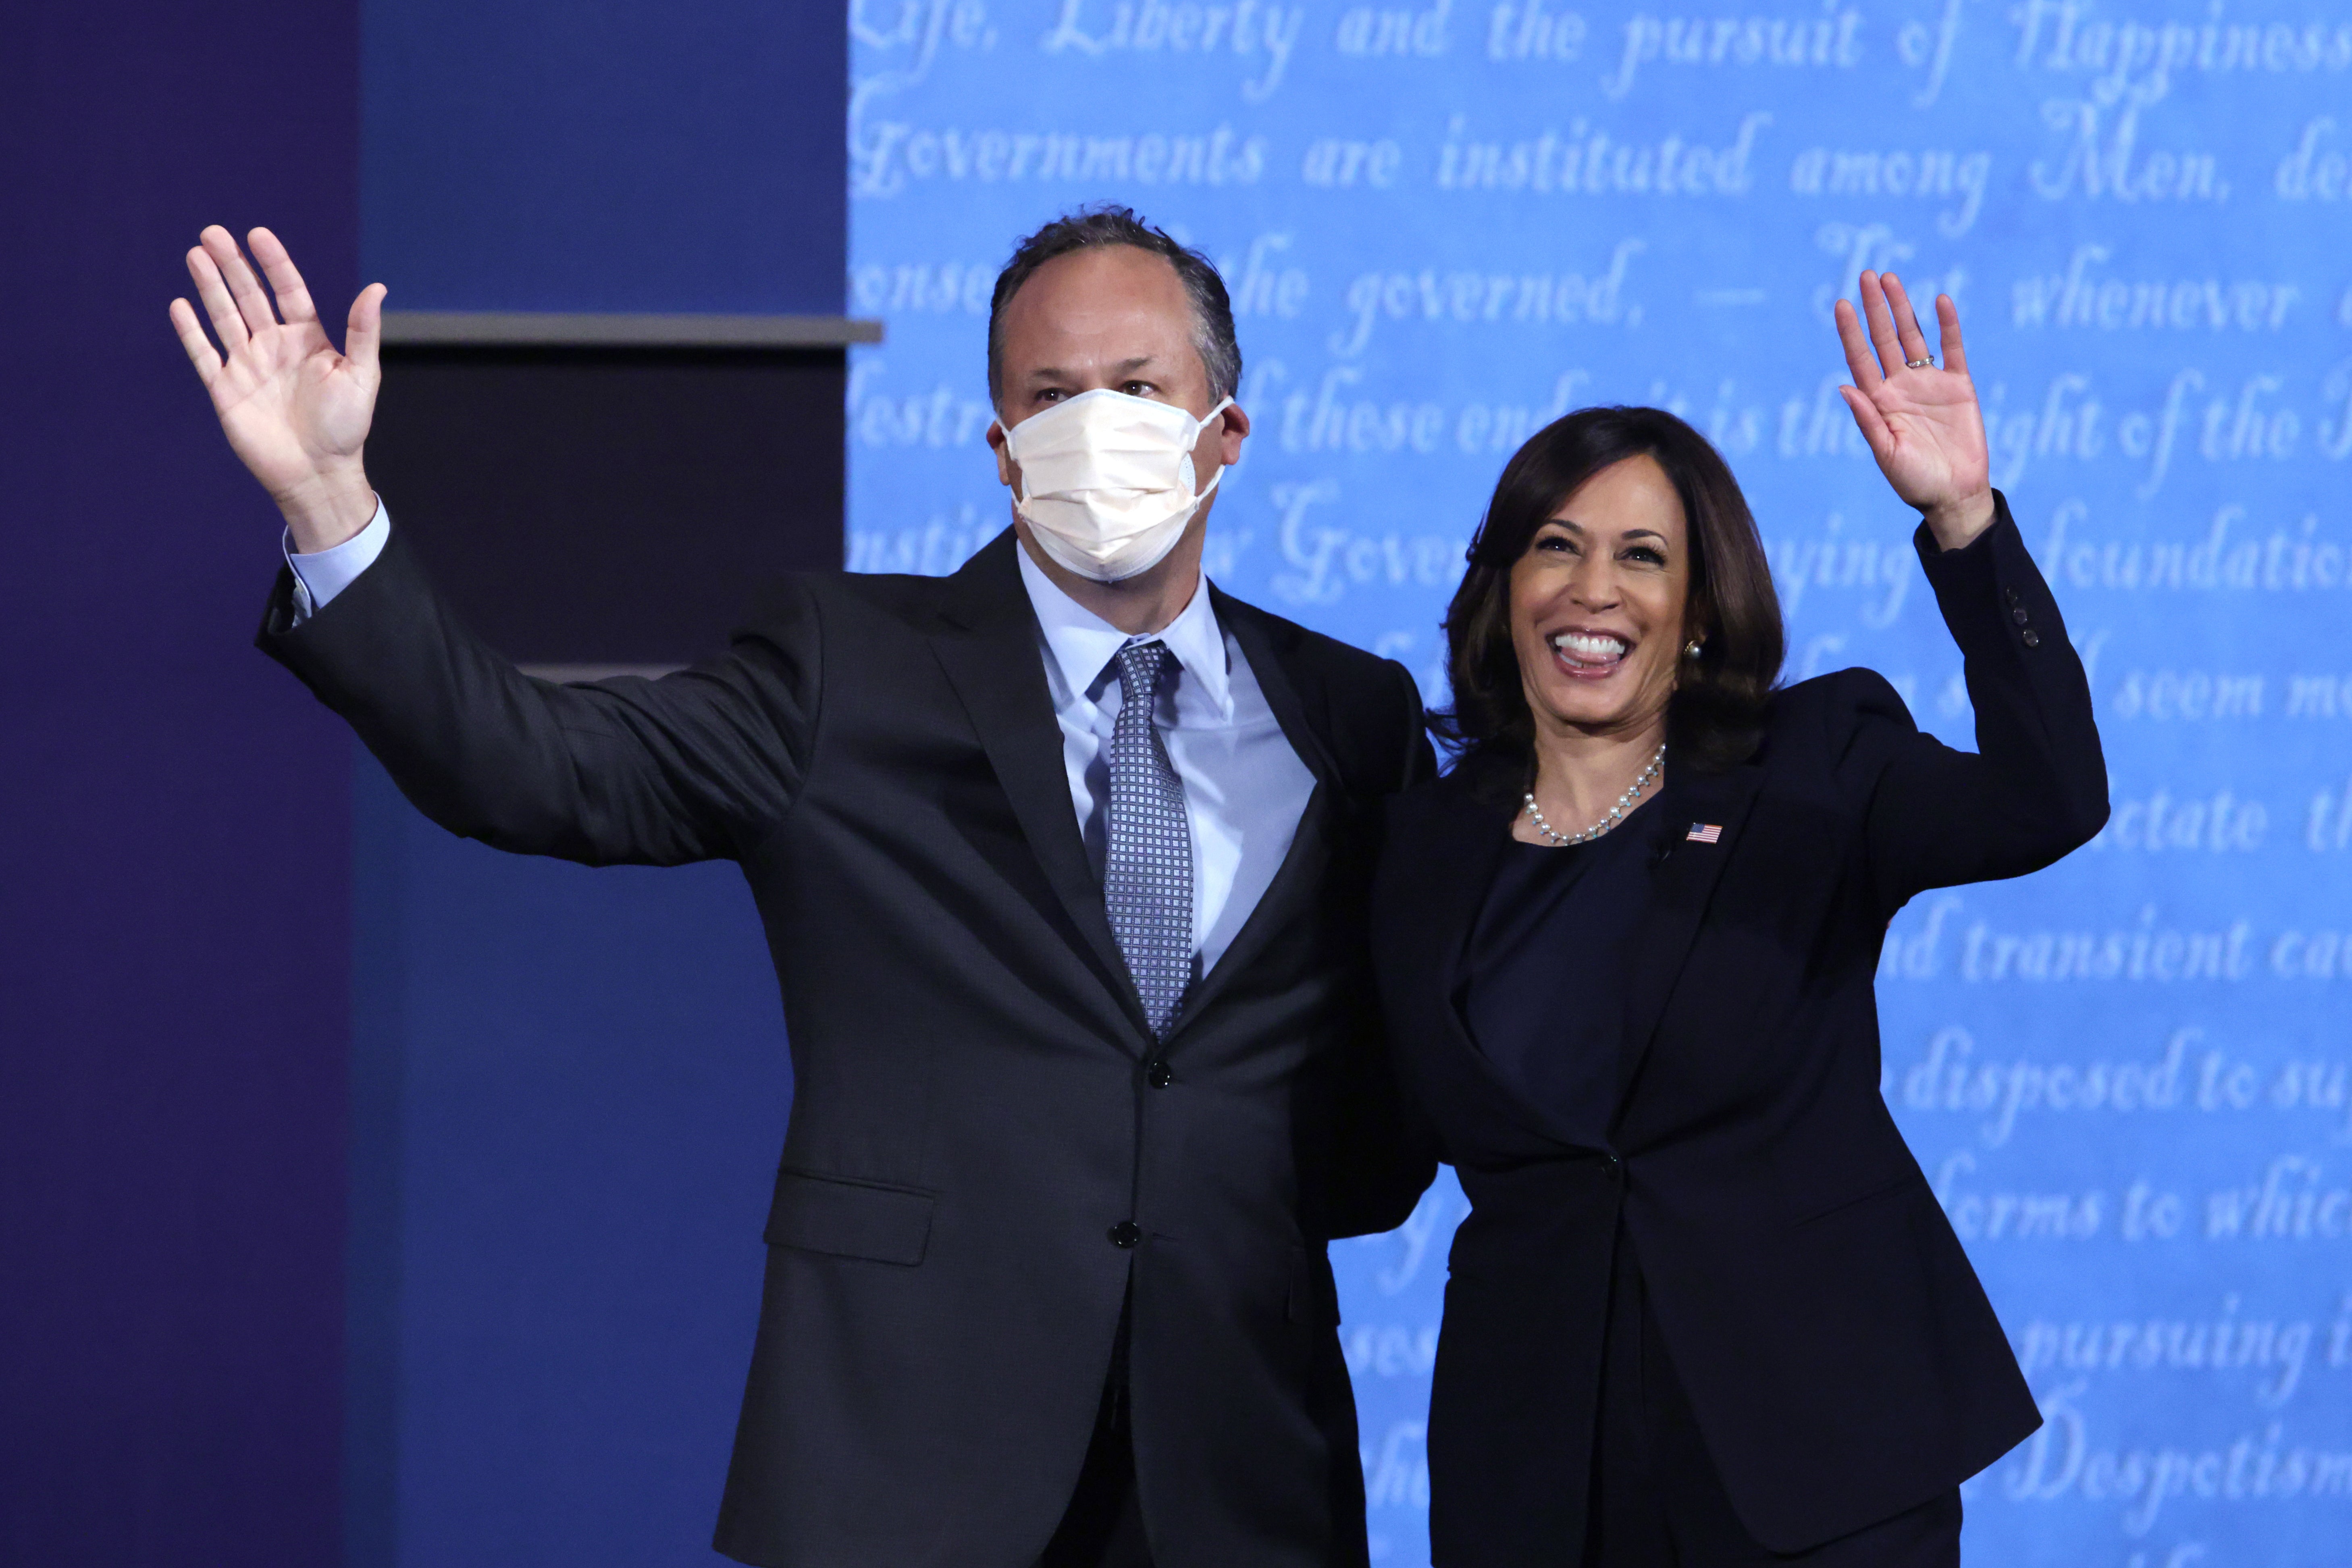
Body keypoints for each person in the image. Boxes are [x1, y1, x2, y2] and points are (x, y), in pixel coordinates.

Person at [169, 207, 1436, 1568]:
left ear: (1224, 432)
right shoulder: (848, 667)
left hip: (1243, 1475)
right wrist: (327, 503)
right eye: (1050, 397)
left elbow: (1385, 1092)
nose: (1095, 428)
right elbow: (530, 766)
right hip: (912, 1468)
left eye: (1137, 391)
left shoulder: (1347, 715)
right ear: (1002, 450)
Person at [1368, 274, 2107, 1566]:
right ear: (1500, 586)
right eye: (1554, 544)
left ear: (1700, 609)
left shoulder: (1812, 765)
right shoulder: (1422, 838)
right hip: (1536, 1465)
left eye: (1641, 555)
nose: (1591, 589)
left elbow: (2049, 801)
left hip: (1816, 1451)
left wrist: (1965, 525)